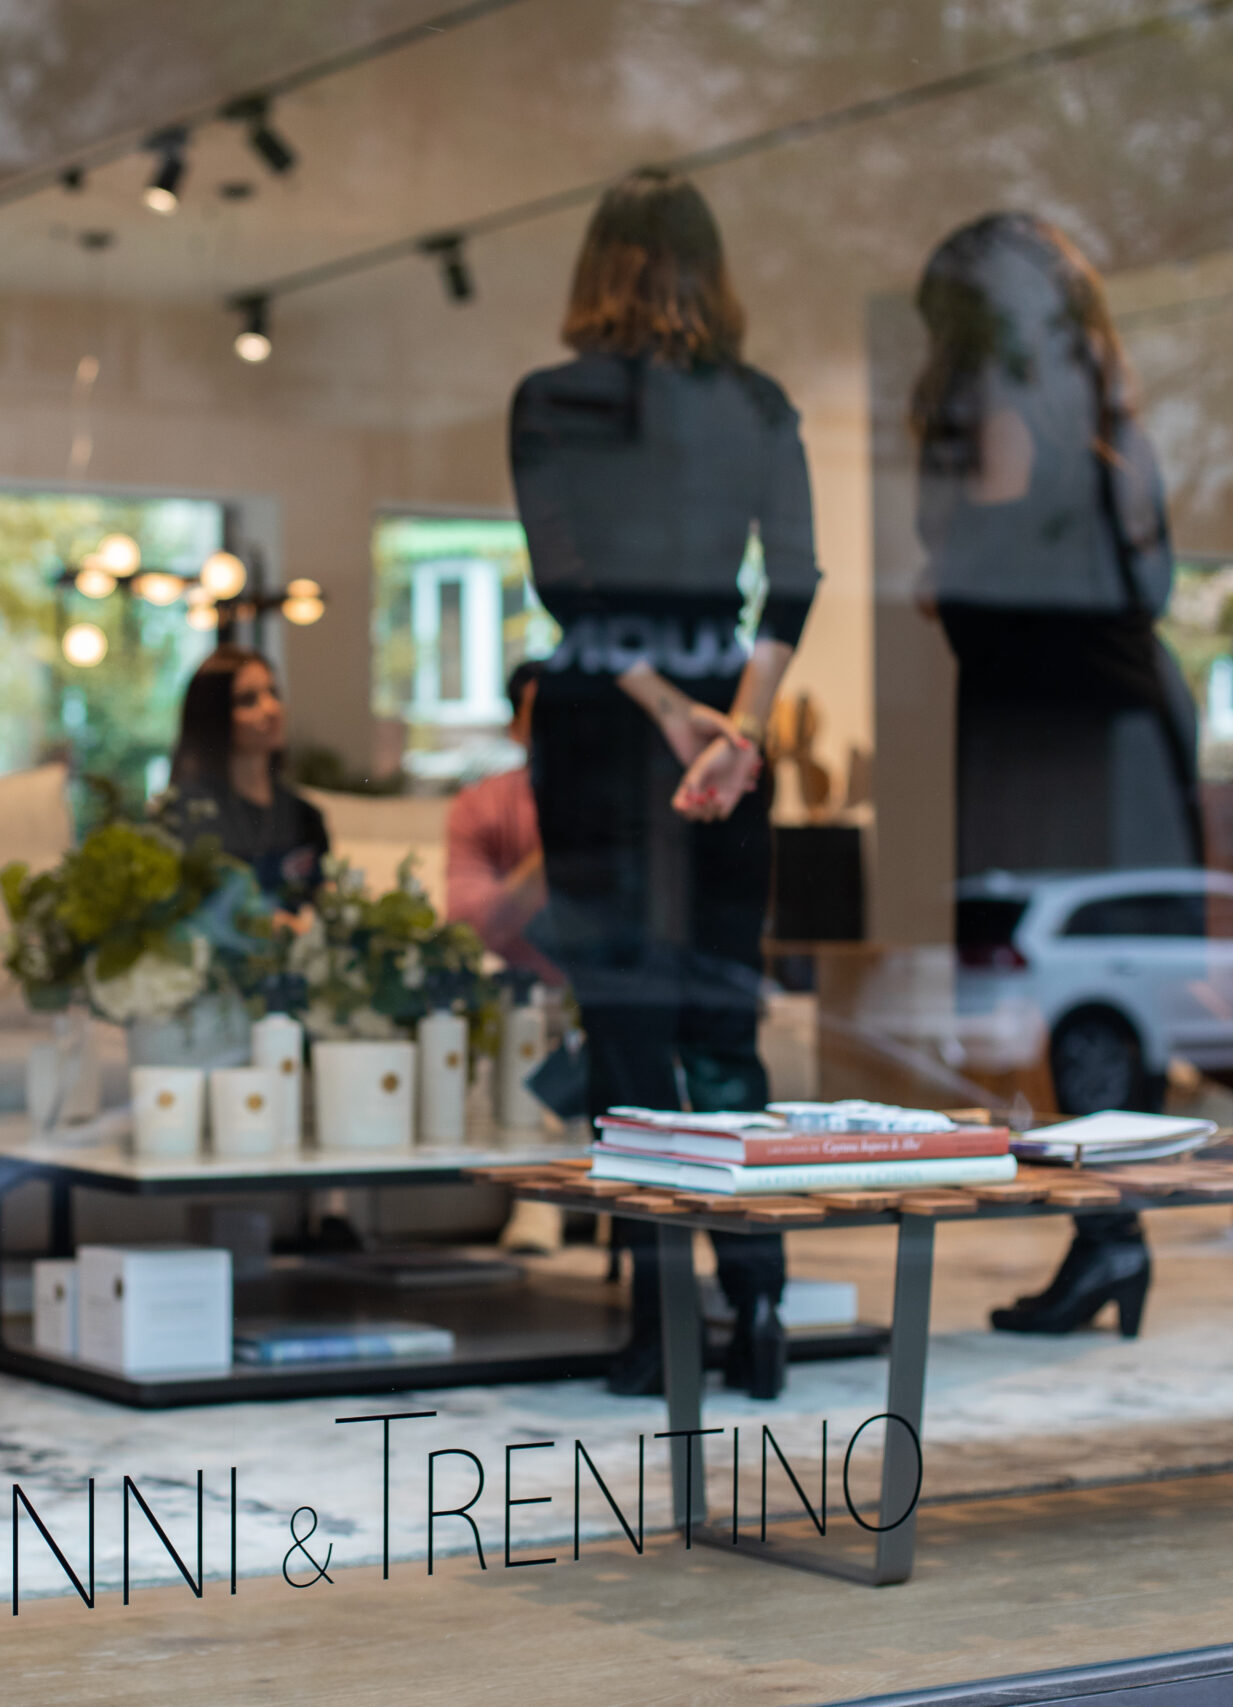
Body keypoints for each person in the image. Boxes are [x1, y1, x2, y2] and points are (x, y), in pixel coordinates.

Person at [510, 168, 820, 1399]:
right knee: (721, 1017)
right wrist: (736, 726)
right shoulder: (758, 404)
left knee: (628, 1030)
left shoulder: (550, 402)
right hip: (724, 739)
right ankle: (759, 1309)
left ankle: (659, 1327)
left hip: (600, 722)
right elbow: (791, 581)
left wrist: (664, 708)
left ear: (596, 267)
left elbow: (565, 584)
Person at [912, 211, 1200, 1337]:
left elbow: (979, 575)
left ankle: (1110, 1242)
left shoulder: (1000, 411)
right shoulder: (1110, 410)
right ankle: (1110, 1242)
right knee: (1113, 979)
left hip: (1055, 725)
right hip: (1124, 715)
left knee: (1071, 973)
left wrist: (934, 571)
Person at [161, 645, 330, 909]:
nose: (271, 709)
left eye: (273, 693)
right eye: (248, 700)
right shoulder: (187, 812)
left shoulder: (304, 816)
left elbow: (325, 901)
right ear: (213, 715)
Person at [444, 660, 560, 983]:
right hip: (520, 996)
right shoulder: (482, 806)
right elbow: (468, 930)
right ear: (516, 728)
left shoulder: (633, 803)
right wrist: (559, 846)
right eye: (546, 716)